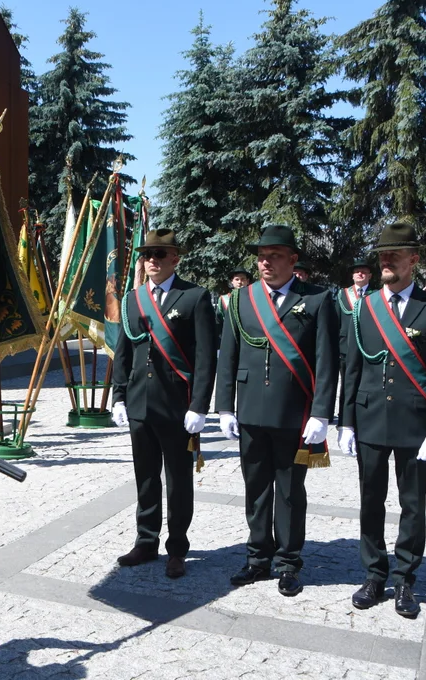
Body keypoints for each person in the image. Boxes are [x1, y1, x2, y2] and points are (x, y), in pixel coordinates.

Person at [338, 223, 426, 619]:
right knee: (370, 500)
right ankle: (374, 573)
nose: (385, 261)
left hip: (413, 423)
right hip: (370, 418)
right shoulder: (364, 308)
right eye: (382, 255)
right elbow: (351, 369)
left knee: (412, 506)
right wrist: (346, 421)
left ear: (413, 260)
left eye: (395, 254)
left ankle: (405, 578)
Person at [216, 225, 338, 597]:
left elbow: (326, 360)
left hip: (294, 413)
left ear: (293, 259)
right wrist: (224, 407)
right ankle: (257, 558)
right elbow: (229, 355)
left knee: (288, 491)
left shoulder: (317, 299)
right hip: (250, 410)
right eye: (261, 256)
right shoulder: (241, 300)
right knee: (255, 489)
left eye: (274, 256)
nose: (265, 263)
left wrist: (321, 413)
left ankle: (288, 562)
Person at [112, 229, 216, 579]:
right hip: (140, 404)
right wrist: (118, 396)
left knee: (178, 479)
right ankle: (146, 541)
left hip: (176, 406)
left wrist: (199, 405)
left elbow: (205, 358)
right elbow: (123, 352)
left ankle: (177, 548)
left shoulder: (194, 297)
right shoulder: (133, 299)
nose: (152, 260)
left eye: (160, 254)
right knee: (145, 477)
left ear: (176, 258)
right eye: (147, 254)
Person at [336, 259, 375, 421]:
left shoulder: (376, 296)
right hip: (345, 348)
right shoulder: (342, 295)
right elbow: (336, 321)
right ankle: (345, 416)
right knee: (346, 383)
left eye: (364, 271)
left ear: (370, 276)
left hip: (367, 348)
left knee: (365, 383)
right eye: (357, 271)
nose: (360, 274)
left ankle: (364, 415)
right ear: (352, 275)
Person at [216, 268, 252, 346]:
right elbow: (219, 322)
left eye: (243, 279)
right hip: (230, 339)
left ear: (247, 281)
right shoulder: (224, 300)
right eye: (237, 279)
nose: (240, 282)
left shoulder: (253, 298)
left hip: (249, 340)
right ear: (232, 281)